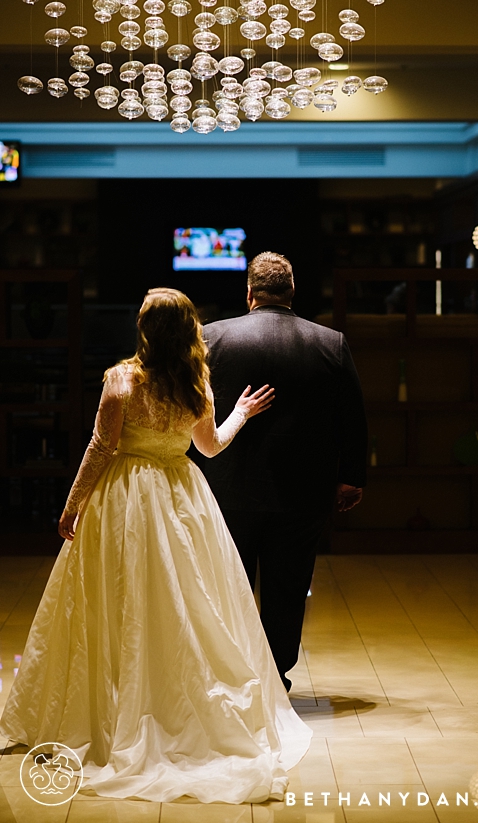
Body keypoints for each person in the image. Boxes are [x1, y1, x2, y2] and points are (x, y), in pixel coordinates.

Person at [0, 287, 312, 804]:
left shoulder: (122, 381)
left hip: (123, 500)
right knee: (182, 601)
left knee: (116, 601)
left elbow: (101, 448)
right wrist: (240, 413)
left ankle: (113, 703)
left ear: (144, 330)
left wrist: (73, 503)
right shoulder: (196, 384)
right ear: (189, 330)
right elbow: (210, 447)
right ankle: (173, 704)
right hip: (181, 498)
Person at [202, 252, 367, 692]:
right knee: (288, 583)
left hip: (227, 485)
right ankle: (275, 674)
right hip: (303, 488)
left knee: (227, 582)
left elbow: (192, 414)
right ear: (292, 292)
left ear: (250, 294)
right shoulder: (330, 342)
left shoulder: (211, 338)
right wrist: (351, 475)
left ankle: (233, 674)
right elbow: (352, 415)